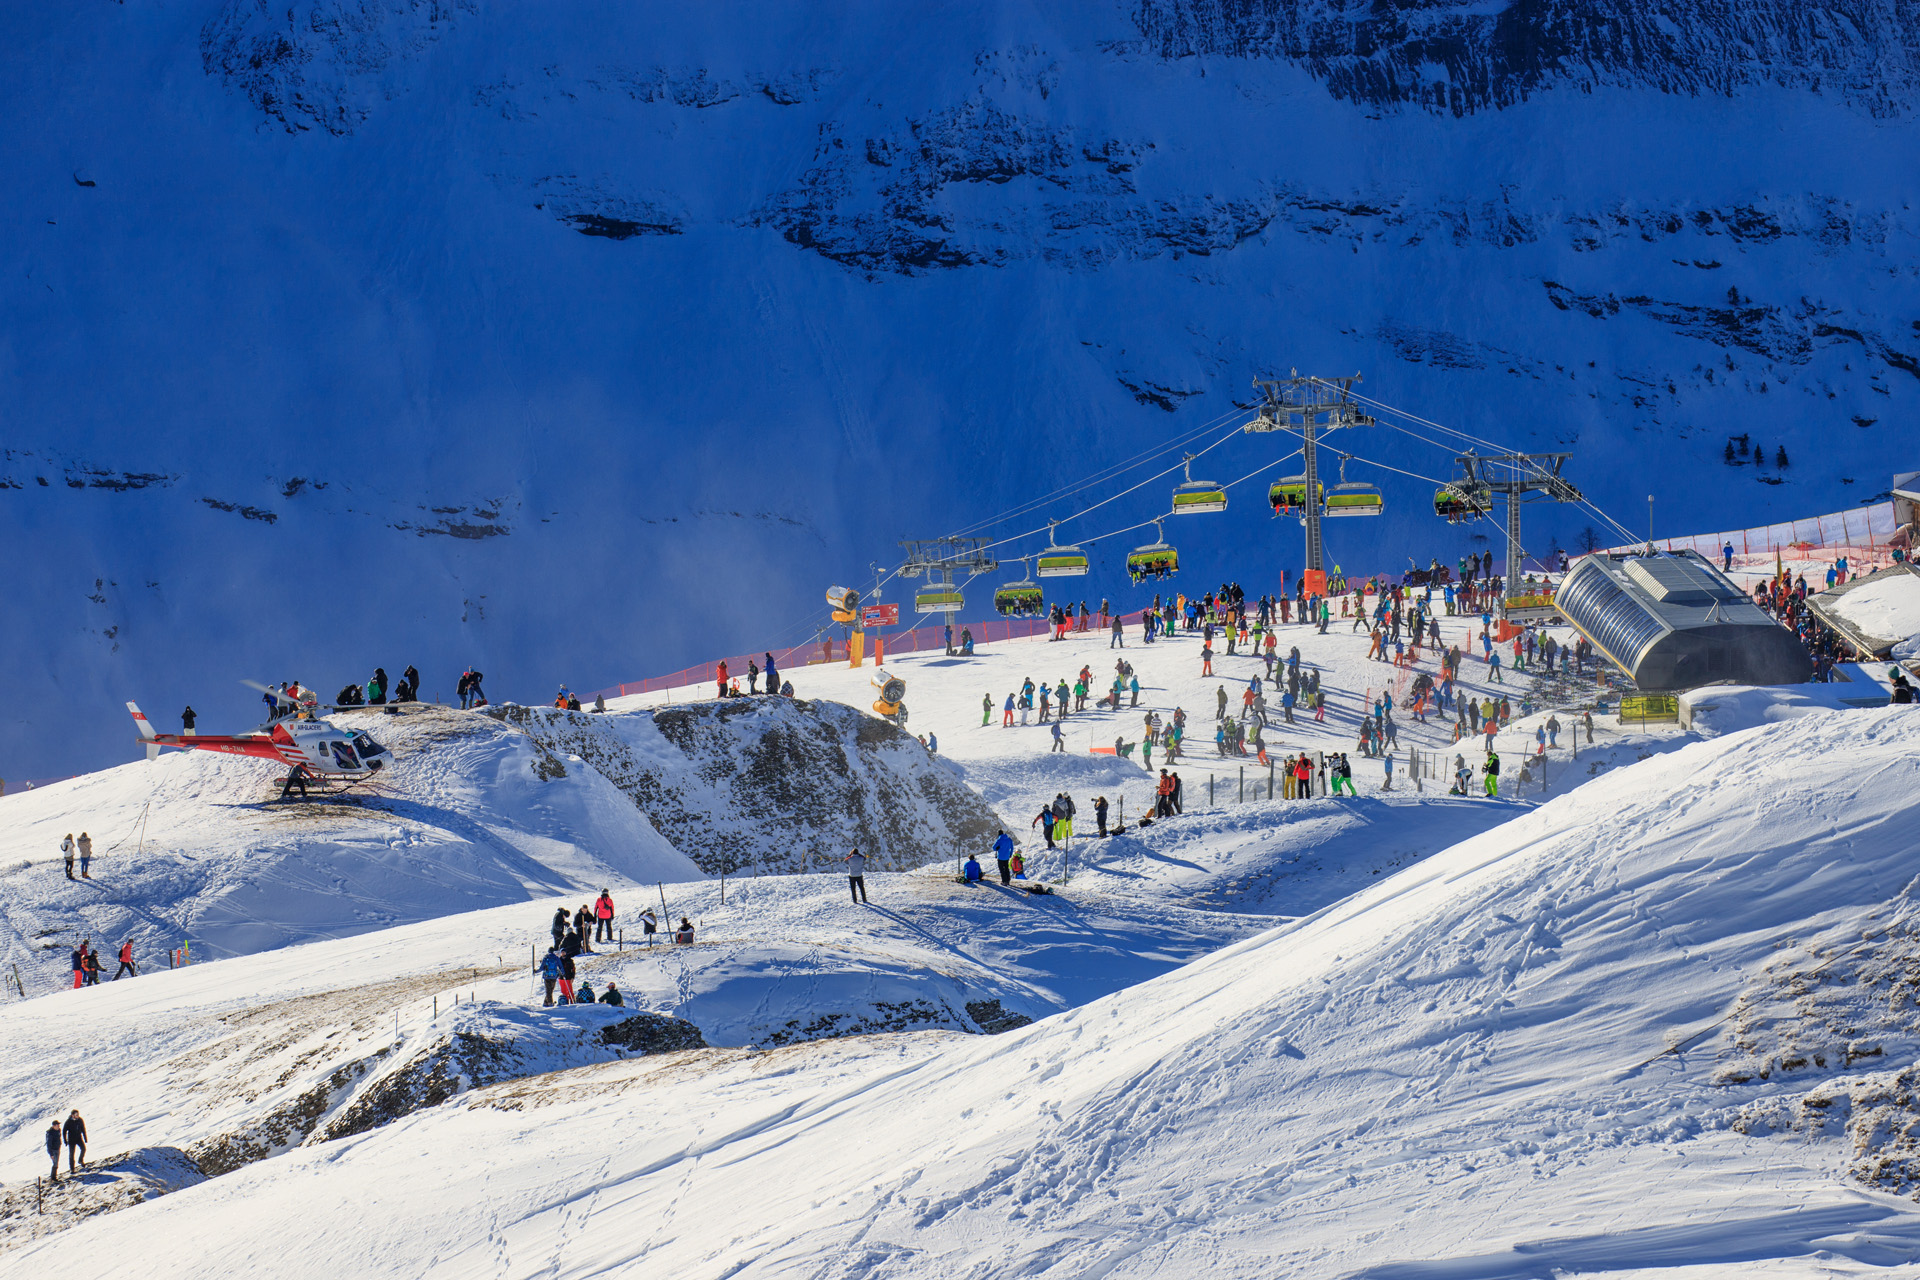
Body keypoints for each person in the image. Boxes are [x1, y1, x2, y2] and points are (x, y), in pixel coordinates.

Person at [45, 1119, 62, 1183]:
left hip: (57, 1148)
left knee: (56, 1163)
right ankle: (53, 1178)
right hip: (53, 1150)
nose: (58, 1126)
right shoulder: (50, 1133)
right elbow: (49, 1144)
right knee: (55, 1163)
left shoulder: (58, 1131)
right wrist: (51, 1154)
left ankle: (54, 1177)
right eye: (57, 1125)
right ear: (54, 1126)